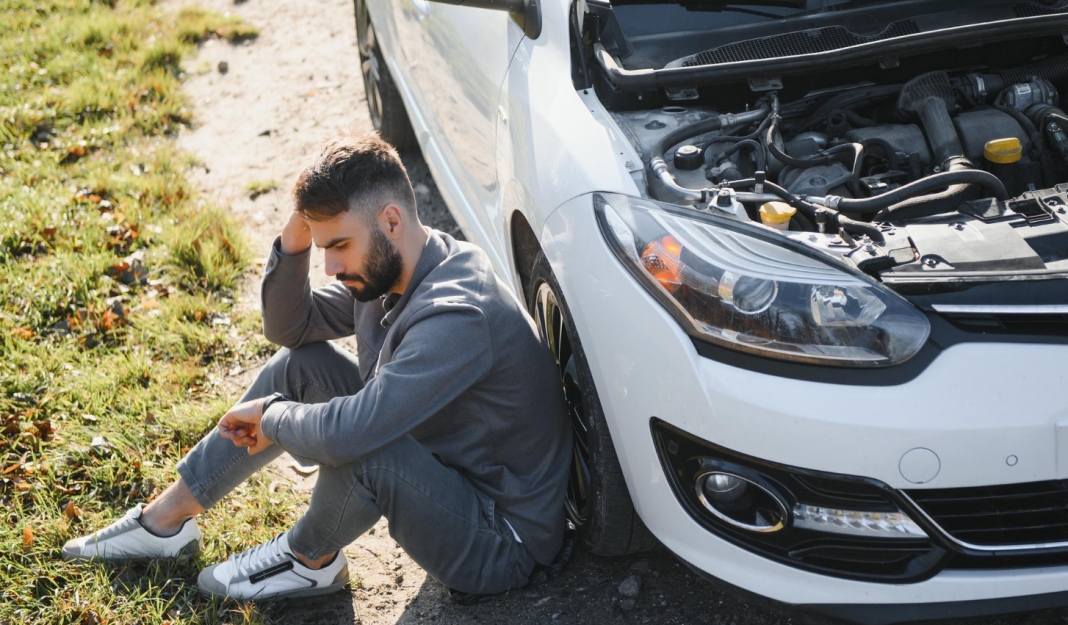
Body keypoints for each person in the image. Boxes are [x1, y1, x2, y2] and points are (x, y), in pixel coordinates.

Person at [62, 133, 572, 601]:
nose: (329, 267)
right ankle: (165, 522)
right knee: (301, 367)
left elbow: (353, 434)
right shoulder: (395, 265)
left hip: (500, 538)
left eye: (338, 246)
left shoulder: (457, 315)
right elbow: (292, 327)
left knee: (365, 443)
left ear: (391, 221)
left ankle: (311, 560)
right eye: (323, 247)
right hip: (444, 467)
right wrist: (296, 238)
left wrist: (272, 417)